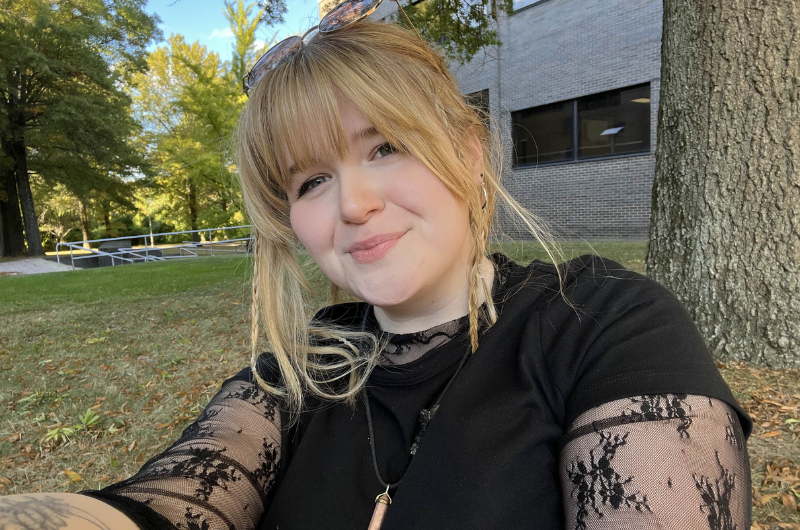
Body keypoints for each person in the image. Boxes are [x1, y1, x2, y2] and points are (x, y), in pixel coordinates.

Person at [1, 2, 751, 529]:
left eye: (384, 145)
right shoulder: (293, 377)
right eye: (309, 180)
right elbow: (163, 504)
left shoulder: (605, 327)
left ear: (466, 150)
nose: (351, 204)